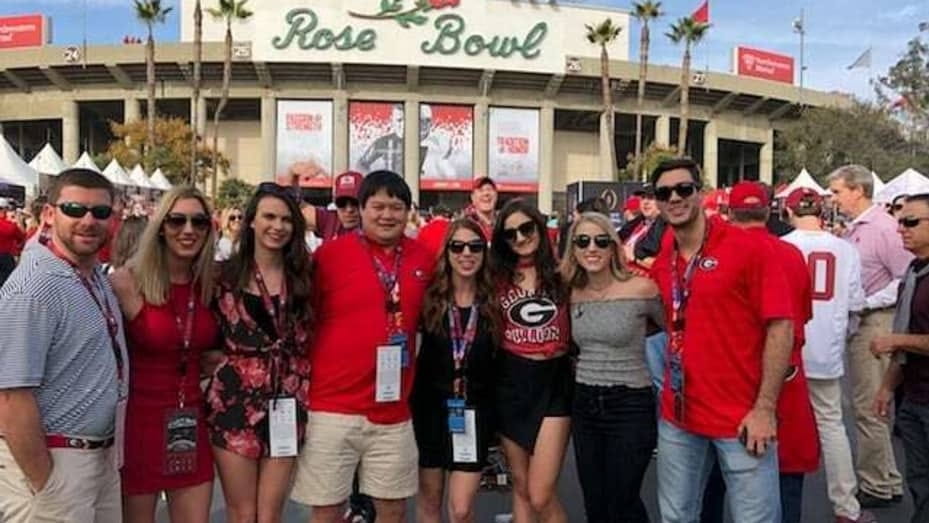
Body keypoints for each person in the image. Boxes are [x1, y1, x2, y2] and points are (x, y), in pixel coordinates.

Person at [648, 158, 794, 523]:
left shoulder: (748, 248)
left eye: (684, 189)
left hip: (741, 418)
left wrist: (765, 408)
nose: (674, 198)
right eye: (664, 193)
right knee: (676, 517)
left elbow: (781, 327)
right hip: (679, 415)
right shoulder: (665, 256)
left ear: (701, 194)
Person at [292, 170, 434, 523]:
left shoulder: (423, 259)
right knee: (326, 510)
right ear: (362, 208)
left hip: (393, 411)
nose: (387, 215)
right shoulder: (329, 255)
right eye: (378, 206)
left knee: (393, 510)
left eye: (396, 207)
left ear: (408, 212)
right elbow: (303, 317)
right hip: (332, 407)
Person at [0, 168, 128, 522]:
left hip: (98, 459)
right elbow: (10, 398)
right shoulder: (33, 288)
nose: (88, 221)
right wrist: (46, 482)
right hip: (55, 462)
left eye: (100, 212)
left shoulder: (91, 275)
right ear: (48, 214)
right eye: (74, 209)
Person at [109, 186, 219, 523]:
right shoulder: (126, 282)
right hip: (139, 425)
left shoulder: (212, 283)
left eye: (199, 222)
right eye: (177, 220)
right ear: (160, 227)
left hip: (191, 422)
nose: (188, 230)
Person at [205, 182, 313, 522]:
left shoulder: (305, 277)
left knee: (269, 514)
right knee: (242, 513)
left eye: (286, 219)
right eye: (269, 217)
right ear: (251, 220)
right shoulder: (222, 276)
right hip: (233, 404)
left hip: (287, 403)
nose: (277, 226)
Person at [561, 211, 663, 523]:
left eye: (600, 241)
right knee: (595, 502)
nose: (592, 248)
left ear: (613, 247)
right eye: (582, 241)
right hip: (585, 402)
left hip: (630, 403)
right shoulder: (569, 292)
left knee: (623, 501)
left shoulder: (642, 289)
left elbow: (674, 328)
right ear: (573, 249)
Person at [726, 182, 820, 523]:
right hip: (786, 374)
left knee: (718, 478)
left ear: (729, 213)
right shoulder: (790, 253)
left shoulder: (720, 253)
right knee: (786, 475)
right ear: (768, 212)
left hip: (732, 375)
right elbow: (801, 316)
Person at [783, 187, 876, 523]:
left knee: (779, 426)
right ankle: (845, 506)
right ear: (821, 211)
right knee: (831, 425)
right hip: (825, 350)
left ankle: (769, 503)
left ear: (788, 212)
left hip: (786, 351)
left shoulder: (782, 246)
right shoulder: (845, 248)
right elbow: (856, 303)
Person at [827, 164, 909, 507]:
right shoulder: (859, 228)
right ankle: (885, 479)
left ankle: (876, 484)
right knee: (868, 405)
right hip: (864, 321)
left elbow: (904, 277)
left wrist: (865, 303)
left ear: (857, 191)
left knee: (869, 407)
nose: (833, 199)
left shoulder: (882, 228)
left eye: (837, 192)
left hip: (877, 321)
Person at [412, 218, 500, 523]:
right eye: (458, 246)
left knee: (461, 510)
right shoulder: (429, 298)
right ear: (447, 252)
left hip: (475, 413)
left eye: (475, 247)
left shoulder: (494, 301)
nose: (466, 254)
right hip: (429, 409)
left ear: (484, 252)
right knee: (430, 501)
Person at [491, 198, 572, 523]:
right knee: (522, 486)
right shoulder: (495, 278)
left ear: (539, 227)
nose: (521, 238)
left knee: (541, 493)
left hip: (554, 381)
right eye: (511, 234)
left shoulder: (564, 273)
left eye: (527, 228)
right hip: (510, 380)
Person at [873, 193, 929, 523]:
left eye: (911, 222)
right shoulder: (913, 271)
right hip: (913, 397)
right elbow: (906, 327)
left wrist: (896, 340)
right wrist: (886, 387)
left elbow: (902, 336)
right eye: (899, 221)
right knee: (919, 482)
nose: (900, 229)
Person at [302, 170, 363, 242]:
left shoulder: (372, 228)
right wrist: (292, 175)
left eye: (355, 203)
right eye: (342, 203)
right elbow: (295, 211)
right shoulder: (331, 220)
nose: (349, 209)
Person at [463, 176, 498, 241]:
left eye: (489, 189)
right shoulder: (463, 224)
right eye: (481, 190)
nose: (486, 193)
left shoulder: (503, 223)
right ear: (473, 197)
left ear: (496, 196)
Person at [0, 197, 25, 287]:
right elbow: (22, 237)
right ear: (4, 210)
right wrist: (19, 221)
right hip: (6, 258)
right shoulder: (10, 226)